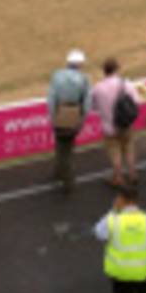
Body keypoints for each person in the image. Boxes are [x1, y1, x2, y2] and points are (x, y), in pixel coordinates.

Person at [89, 57, 140, 189]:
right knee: (129, 149)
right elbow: (137, 101)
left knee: (114, 153)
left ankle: (118, 177)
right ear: (117, 69)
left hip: (109, 127)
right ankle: (133, 174)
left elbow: (92, 107)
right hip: (126, 124)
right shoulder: (127, 84)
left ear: (104, 71)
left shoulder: (98, 88)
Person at [47, 49, 90, 193]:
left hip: (60, 112)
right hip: (74, 113)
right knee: (68, 148)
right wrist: (82, 119)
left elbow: (51, 98)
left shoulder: (57, 75)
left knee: (60, 145)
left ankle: (58, 172)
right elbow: (87, 103)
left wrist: (53, 117)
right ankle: (68, 181)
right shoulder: (84, 79)